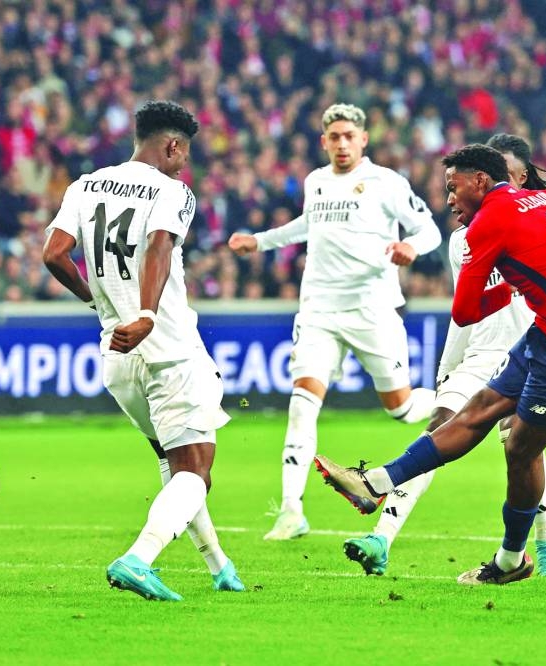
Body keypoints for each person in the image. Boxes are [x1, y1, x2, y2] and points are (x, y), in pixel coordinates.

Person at [314, 144, 546, 585]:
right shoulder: (540, 199)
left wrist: (506, 274)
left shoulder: (486, 226)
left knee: (520, 447)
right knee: (479, 410)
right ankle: (375, 484)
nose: (448, 200)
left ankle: (513, 560)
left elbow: (463, 312)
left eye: (452, 187)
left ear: (480, 181)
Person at [42, 100, 244, 601]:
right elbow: (158, 245)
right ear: (172, 145)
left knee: (177, 465)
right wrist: (147, 314)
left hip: (117, 355)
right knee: (196, 471)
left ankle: (219, 565)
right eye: (185, 153)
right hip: (168, 348)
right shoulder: (173, 190)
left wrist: (97, 300)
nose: (185, 163)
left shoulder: (85, 184)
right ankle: (139, 558)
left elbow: (53, 254)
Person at [341, 134, 546, 578]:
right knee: (439, 430)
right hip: (480, 356)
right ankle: (381, 539)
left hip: (529, 353)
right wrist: (447, 371)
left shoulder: (540, 227)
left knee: (521, 447)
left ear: (519, 178)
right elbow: (463, 313)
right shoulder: (462, 239)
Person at [227, 103, 441, 540]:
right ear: (323, 141)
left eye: (349, 136)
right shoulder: (316, 182)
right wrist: (261, 242)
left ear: (363, 140)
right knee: (302, 403)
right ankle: (291, 510)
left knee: (400, 409)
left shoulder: (387, 182)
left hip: (372, 308)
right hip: (319, 309)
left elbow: (430, 229)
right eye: (334, 137)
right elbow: (309, 225)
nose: (342, 143)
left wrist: (412, 249)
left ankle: (450, 403)